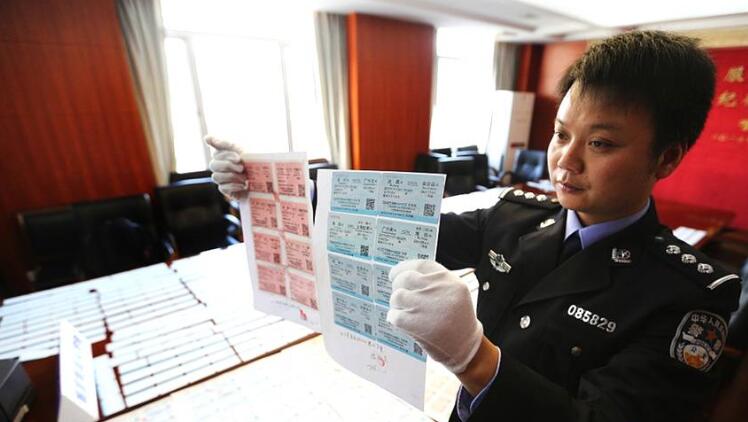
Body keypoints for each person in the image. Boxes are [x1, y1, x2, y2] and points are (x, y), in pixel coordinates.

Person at [207, 30, 741, 422]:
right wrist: (274, 187)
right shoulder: (515, 218)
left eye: (600, 143)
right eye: (561, 134)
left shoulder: (687, 295)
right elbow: (393, 227)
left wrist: (474, 358)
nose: (565, 160)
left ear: (666, 158)